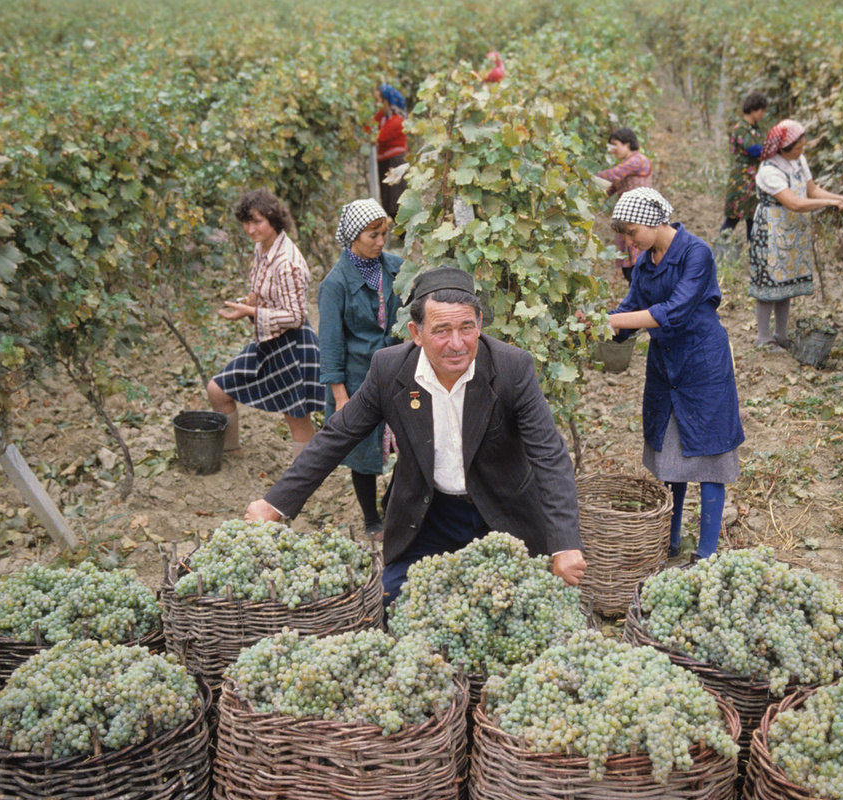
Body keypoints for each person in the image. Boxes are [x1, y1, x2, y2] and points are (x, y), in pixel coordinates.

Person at [246, 267, 587, 603]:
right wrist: (276, 503)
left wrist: (564, 542)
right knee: (394, 601)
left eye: (467, 327)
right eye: (441, 330)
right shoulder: (390, 370)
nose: (457, 344)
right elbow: (338, 436)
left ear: (480, 324)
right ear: (416, 332)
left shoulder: (511, 368)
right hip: (429, 518)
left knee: (516, 606)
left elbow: (549, 454)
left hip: (502, 513)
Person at [607, 188, 744, 559]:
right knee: (670, 458)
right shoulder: (644, 264)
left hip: (702, 362)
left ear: (653, 221)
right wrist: (599, 326)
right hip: (665, 364)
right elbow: (632, 307)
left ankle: (705, 553)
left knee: (711, 458)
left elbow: (675, 310)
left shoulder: (696, 253)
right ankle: (669, 541)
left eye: (632, 232)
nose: (630, 241)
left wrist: (614, 320)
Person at [207, 189, 324, 459]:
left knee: (296, 418)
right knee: (217, 389)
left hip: (291, 344)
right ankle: (232, 454)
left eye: (257, 221)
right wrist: (248, 304)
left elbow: (295, 316)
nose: (250, 229)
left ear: (273, 219)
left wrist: (252, 310)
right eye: (246, 222)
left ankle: (303, 480)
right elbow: (268, 298)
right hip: (268, 340)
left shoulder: (288, 262)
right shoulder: (263, 248)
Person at [318, 199, 403, 538]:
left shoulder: (396, 269)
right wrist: (340, 397)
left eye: (384, 234)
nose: (380, 242)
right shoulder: (335, 283)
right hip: (358, 381)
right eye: (373, 235)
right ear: (354, 235)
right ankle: (371, 519)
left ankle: (393, 503)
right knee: (363, 451)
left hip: (397, 373)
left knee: (411, 444)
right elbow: (331, 344)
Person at [748, 119, 843, 348]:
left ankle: (780, 335)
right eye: (797, 148)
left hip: (792, 230)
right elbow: (794, 203)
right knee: (768, 286)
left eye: (802, 146)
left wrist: (839, 198)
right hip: (771, 232)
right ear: (782, 149)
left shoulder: (798, 161)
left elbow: (812, 190)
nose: (801, 151)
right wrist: (830, 204)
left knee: (786, 283)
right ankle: (763, 338)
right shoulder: (769, 171)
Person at [595, 127, 653, 284]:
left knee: (639, 263)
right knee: (629, 267)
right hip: (626, 218)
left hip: (639, 217)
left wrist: (587, 175)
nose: (613, 150)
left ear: (628, 143)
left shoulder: (638, 160)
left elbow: (613, 174)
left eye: (616, 145)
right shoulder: (625, 166)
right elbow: (609, 189)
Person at [720, 91, 768, 242]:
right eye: (761, 110)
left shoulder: (756, 129)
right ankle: (720, 251)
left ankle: (753, 256)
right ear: (754, 109)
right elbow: (752, 149)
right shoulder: (741, 128)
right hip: (741, 180)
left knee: (752, 218)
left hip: (754, 180)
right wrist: (773, 149)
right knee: (733, 218)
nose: (763, 114)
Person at [371, 84, 408, 219]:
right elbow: (368, 128)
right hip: (385, 163)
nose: (376, 104)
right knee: (388, 203)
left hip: (395, 163)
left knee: (396, 204)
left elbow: (378, 137)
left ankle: (403, 237)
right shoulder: (382, 118)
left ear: (386, 101)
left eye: (378, 100)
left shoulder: (397, 121)